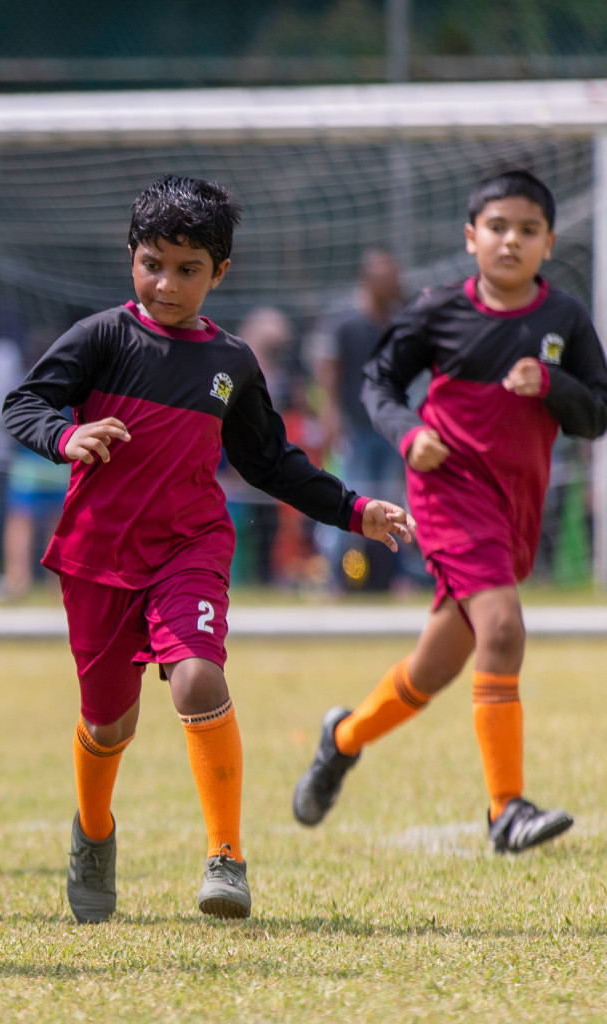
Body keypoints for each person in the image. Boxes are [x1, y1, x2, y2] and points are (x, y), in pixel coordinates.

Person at [2, 174, 412, 924]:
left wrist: (355, 510)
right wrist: (66, 436)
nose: (166, 282)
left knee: (197, 680)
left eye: (187, 269)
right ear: (132, 256)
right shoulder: (101, 337)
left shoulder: (232, 363)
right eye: (153, 262)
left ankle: (227, 857)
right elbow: (23, 404)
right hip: (97, 556)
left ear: (219, 273)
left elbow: (271, 463)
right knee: (107, 724)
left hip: (189, 545)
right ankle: (93, 833)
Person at [293, 170, 607, 854]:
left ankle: (341, 739)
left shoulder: (565, 320)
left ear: (549, 242)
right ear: (471, 238)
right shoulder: (438, 311)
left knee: (435, 668)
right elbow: (377, 383)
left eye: (527, 230)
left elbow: (596, 417)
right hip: (448, 495)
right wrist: (409, 435)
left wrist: (552, 382)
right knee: (502, 629)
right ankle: (506, 811)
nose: (510, 241)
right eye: (497, 228)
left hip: (514, 511)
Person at [307, 249, 409, 590]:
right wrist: (330, 413)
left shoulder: (397, 322)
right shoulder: (344, 321)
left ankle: (396, 577)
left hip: (391, 430)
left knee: (397, 504)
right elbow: (327, 368)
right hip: (357, 429)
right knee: (353, 501)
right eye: (387, 280)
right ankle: (336, 578)